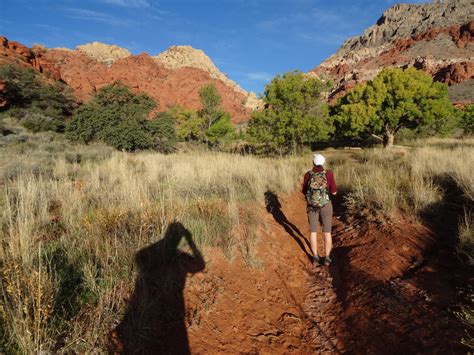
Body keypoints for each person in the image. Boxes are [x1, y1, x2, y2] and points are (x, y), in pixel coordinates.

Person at [302, 153, 337, 266]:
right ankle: (327, 258)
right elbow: (334, 192)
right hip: (326, 204)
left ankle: (315, 257)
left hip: (312, 205)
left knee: (313, 232)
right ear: (323, 163)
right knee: (327, 232)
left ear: (313, 163)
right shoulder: (329, 173)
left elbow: (304, 191)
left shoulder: (308, 174)